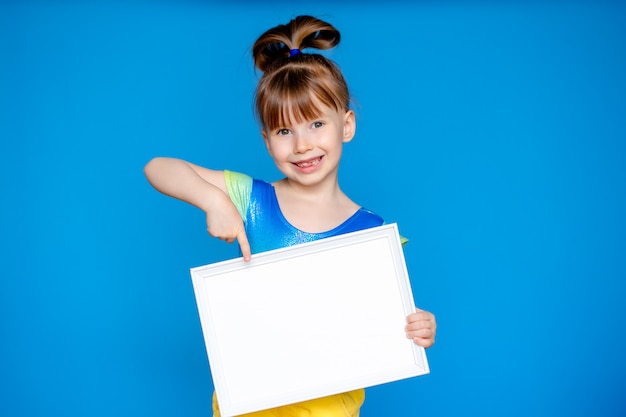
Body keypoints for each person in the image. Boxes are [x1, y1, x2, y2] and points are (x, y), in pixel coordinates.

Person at [144, 15, 436, 417]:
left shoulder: (372, 232)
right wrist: (215, 201)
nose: (302, 145)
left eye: (317, 124)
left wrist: (418, 327)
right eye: (284, 131)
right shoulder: (252, 200)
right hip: (252, 406)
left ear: (346, 125)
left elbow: (382, 324)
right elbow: (159, 167)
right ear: (267, 141)